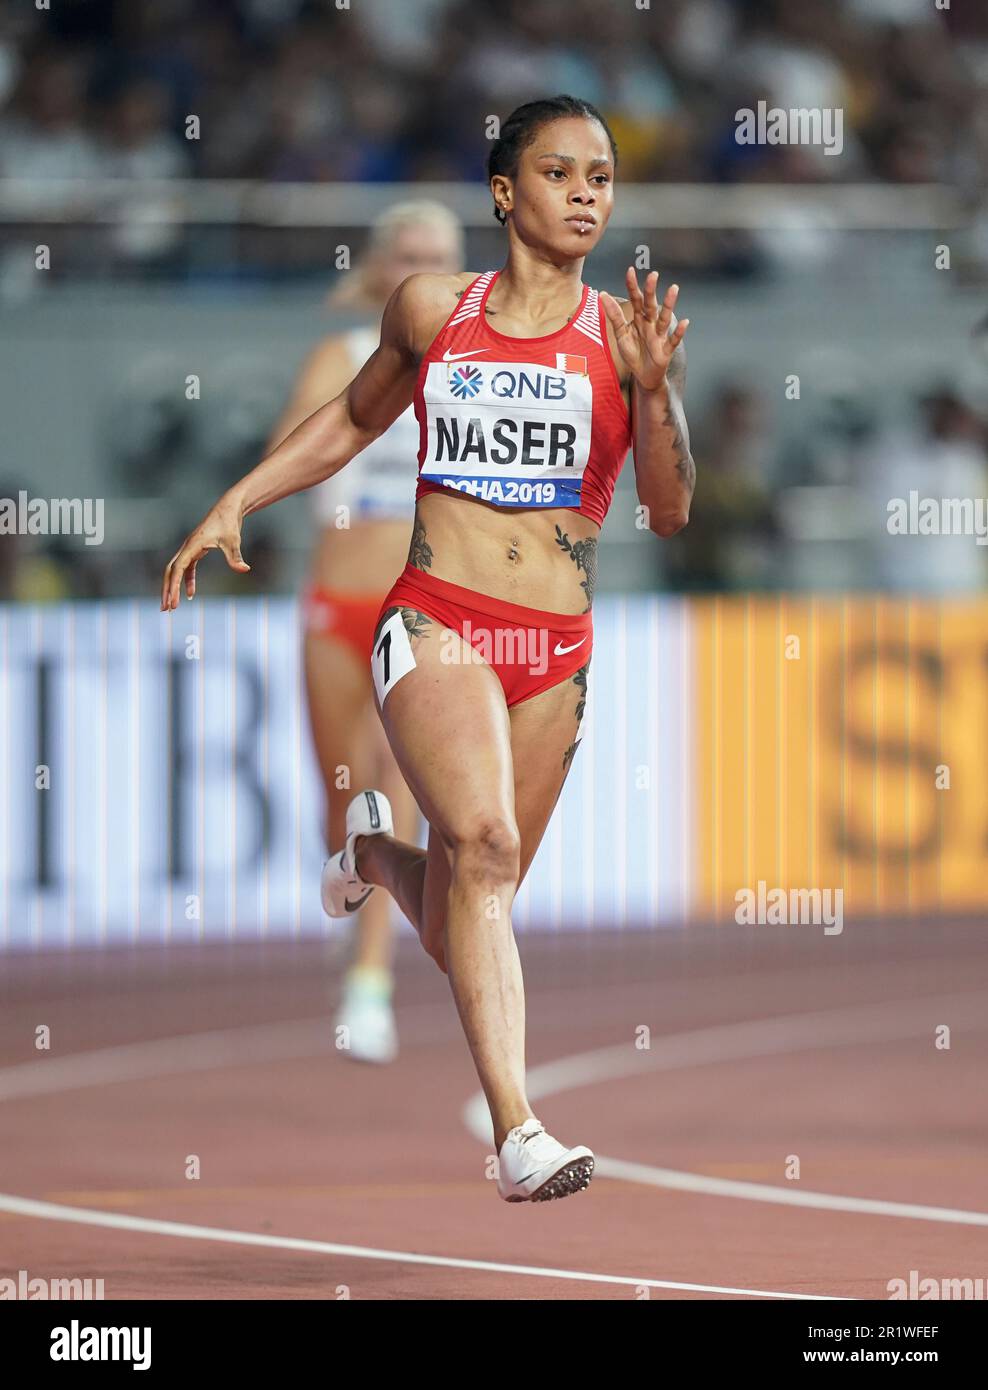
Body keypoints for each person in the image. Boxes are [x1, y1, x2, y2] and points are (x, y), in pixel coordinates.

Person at [162, 94, 694, 1203]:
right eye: (560, 173)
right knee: (488, 849)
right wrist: (237, 499)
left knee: (462, 928)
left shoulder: (619, 335)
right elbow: (354, 419)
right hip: (435, 618)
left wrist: (659, 394)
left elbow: (671, 505)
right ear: (506, 193)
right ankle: (517, 1133)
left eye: (601, 175)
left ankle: (368, 857)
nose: (587, 192)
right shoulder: (431, 309)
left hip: (556, 648)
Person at [267, 201, 464, 1065]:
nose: (420, 269)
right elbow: (289, 455)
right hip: (335, 605)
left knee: (398, 791)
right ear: (381, 267)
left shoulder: (475, 368)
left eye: (440, 257)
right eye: (407, 255)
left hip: (416, 611)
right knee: (340, 792)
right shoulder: (340, 356)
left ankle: (371, 983)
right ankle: (348, 885)